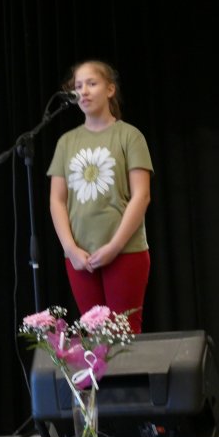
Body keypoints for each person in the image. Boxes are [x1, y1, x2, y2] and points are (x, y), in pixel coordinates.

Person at [47, 60, 153, 333]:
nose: (83, 91)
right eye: (78, 86)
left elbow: (141, 195)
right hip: (80, 257)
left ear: (110, 89)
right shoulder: (66, 142)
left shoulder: (129, 136)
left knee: (124, 332)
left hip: (125, 251)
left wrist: (114, 246)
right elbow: (57, 200)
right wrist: (71, 249)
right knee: (94, 336)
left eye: (91, 84)